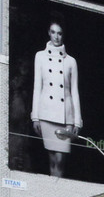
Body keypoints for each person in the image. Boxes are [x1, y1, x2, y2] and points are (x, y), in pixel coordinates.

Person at [30, 20, 82, 178]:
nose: (56, 37)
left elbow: (74, 91)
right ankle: (53, 191)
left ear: (63, 35)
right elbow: (36, 87)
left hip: (65, 116)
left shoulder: (71, 61)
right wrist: (35, 117)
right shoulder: (40, 56)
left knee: (60, 160)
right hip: (46, 113)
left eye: (59, 33)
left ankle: (57, 189)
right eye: (53, 32)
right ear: (48, 33)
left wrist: (77, 120)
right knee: (52, 158)